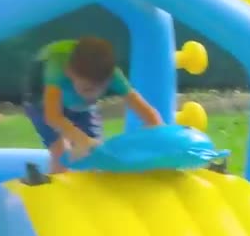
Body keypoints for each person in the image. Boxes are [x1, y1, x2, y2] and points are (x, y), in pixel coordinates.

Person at [23, 36, 165, 173]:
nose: (93, 95)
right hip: (41, 100)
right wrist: (81, 139)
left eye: (101, 89)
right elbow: (52, 116)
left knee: (98, 156)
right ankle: (51, 187)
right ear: (69, 73)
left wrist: (156, 137)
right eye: (88, 89)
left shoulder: (113, 75)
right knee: (61, 153)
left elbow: (148, 113)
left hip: (79, 105)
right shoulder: (58, 67)